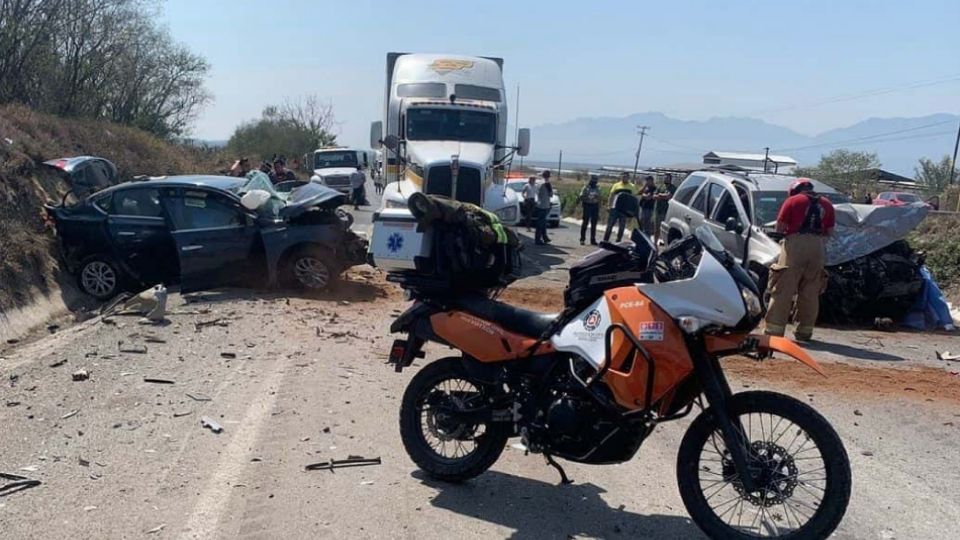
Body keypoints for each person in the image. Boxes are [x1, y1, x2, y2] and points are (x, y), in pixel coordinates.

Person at [764, 178, 836, 341]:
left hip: (795, 246)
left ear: (795, 190)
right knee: (811, 291)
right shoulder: (827, 203)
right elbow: (830, 231)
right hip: (818, 247)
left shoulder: (792, 201)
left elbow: (780, 227)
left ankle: (774, 331)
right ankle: (804, 331)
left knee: (783, 288)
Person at [603, 172, 636, 242]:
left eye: (626, 177)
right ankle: (605, 240)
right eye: (623, 177)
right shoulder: (616, 185)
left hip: (624, 210)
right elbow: (611, 196)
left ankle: (618, 241)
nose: (624, 178)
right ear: (621, 177)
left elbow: (634, 198)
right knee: (610, 225)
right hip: (615, 208)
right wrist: (609, 205)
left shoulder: (632, 186)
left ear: (628, 178)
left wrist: (632, 210)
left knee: (622, 227)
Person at [578, 174, 602, 245]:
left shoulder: (598, 188)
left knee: (594, 224)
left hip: (595, 206)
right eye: (593, 180)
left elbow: (600, 198)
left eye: (595, 180)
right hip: (587, 206)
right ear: (590, 180)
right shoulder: (586, 187)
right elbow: (581, 196)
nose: (594, 182)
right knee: (585, 223)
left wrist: (597, 199)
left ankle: (593, 239)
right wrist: (588, 198)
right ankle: (582, 239)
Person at [654, 173, 677, 243]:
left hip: (667, 212)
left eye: (667, 178)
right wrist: (662, 196)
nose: (665, 179)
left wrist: (660, 195)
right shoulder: (660, 187)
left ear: (670, 179)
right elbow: (654, 196)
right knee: (656, 228)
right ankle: (655, 242)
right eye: (665, 178)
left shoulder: (673, 188)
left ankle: (665, 243)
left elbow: (669, 196)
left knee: (665, 229)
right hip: (658, 210)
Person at [534, 170, 553, 245]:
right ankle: (538, 239)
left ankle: (545, 237)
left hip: (539, 203)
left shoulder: (539, 182)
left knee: (542, 222)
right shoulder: (547, 184)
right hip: (545, 204)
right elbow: (551, 194)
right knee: (541, 222)